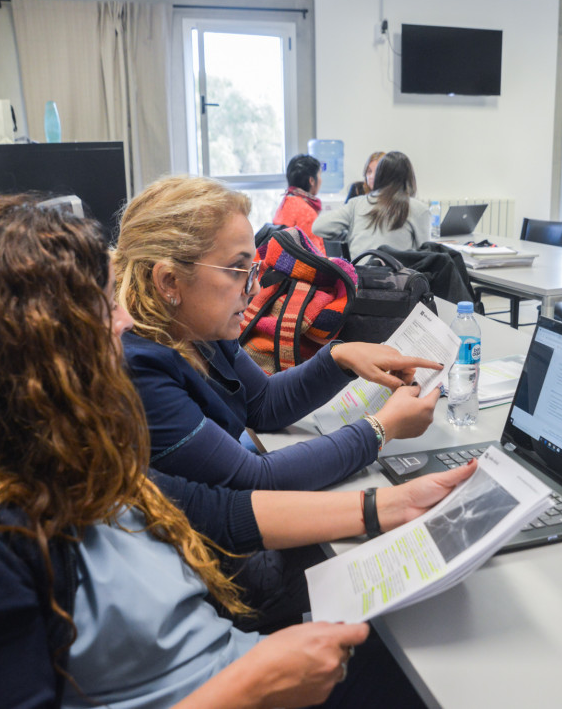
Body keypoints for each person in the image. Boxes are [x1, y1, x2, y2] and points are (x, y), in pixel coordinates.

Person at [0, 195, 478, 708]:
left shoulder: (51, 455)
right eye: (102, 310)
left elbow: (216, 512)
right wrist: (250, 688)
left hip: (237, 665)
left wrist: (388, 506)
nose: (121, 325)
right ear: (29, 352)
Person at [114, 175, 441, 491]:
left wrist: (340, 357)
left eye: (252, 268)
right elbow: (254, 479)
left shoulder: (199, 328)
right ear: (170, 281)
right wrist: (381, 429)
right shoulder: (139, 368)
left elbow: (262, 403)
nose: (255, 287)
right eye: (236, 269)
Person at [312, 150, 431, 258]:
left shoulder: (356, 204)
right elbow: (426, 255)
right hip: (398, 279)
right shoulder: (418, 209)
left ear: (379, 175)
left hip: (358, 278)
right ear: (409, 178)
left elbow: (318, 227)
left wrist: (351, 235)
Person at [272, 153, 326, 254]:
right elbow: (316, 256)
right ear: (312, 181)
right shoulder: (306, 212)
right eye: (319, 175)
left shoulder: (286, 202)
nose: (321, 180)